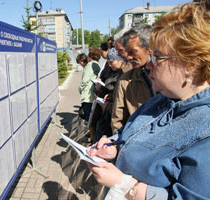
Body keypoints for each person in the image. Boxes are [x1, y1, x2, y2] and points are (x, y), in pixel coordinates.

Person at [87, 1, 210, 199]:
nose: (149, 66)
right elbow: (129, 132)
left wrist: (126, 186)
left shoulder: (205, 129)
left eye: (158, 58)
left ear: (191, 65)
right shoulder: (161, 101)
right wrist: (114, 147)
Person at [111, 23, 155, 134]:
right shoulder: (125, 80)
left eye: (133, 52)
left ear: (150, 48)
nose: (128, 57)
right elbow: (117, 120)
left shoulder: (170, 76)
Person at [78, 48, 101, 124]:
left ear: (90, 56)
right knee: (93, 117)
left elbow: (85, 80)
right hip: (93, 94)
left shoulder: (90, 65)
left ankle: (90, 135)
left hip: (88, 95)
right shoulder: (98, 65)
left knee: (88, 117)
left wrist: (80, 89)